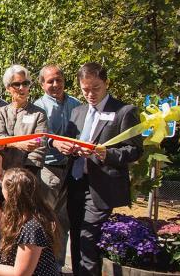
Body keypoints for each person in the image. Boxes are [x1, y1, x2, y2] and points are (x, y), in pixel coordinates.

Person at [52, 62, 143, 276]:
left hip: (101, 186)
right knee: (77, 236)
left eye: (96, 88)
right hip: (75, 183)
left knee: (88, 238)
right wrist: (65, 146)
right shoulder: (77, 111)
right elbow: (67, 140)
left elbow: (135, 150)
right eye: (85, 89)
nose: (90, 94)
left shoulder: (124, 111)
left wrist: (107, 154)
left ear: (106, 83)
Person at [0, 168, 60, 275]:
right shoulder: (22, 214)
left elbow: (20, 274)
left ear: (10, 193)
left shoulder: (32, 227)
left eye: (2, 185)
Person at [33, 65, 81, 270]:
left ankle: (57, 266)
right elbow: (37, 136)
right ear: (42, 84)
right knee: (45, 219)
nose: (55, 84)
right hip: (48, 170)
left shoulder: (77, 105)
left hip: (72, 170)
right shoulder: (37, 107)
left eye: (58, 80)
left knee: (64, 221)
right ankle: (39, 266)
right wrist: (54, 143)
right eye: (50, 81)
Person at [0, 64, 47, 175]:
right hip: (1, 171)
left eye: (25, 83)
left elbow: (40, 141)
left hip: (29, 172)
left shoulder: (39, 113)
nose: (22, 88)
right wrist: (19, 143)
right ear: (8, 88)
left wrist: (28, 172)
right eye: (17, 84)